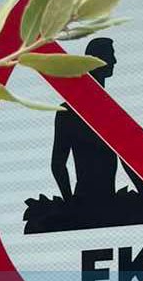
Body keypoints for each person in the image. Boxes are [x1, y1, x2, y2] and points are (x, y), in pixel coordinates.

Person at [50, 37, 119, 204]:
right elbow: (58, 164)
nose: (115, 61)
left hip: (110, 203)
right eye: (110, 55)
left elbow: (129, 161)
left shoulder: (112, 110)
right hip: (85, 200)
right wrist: (69, 202)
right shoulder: (69, 112)